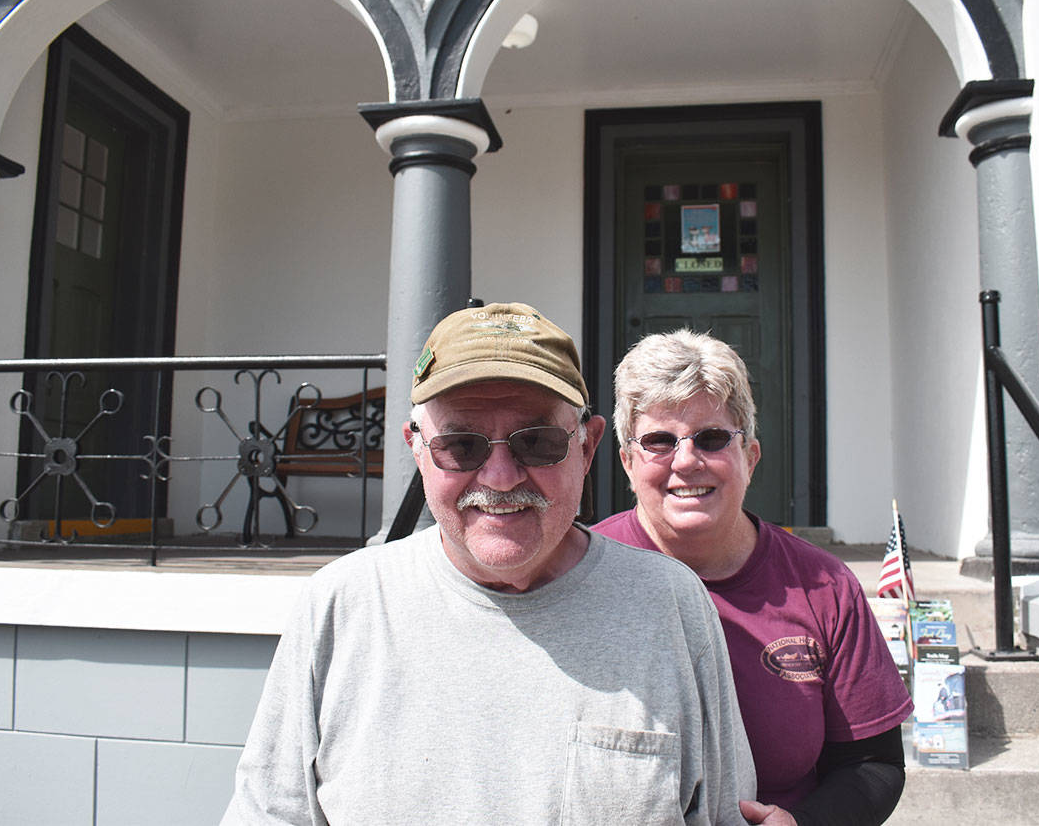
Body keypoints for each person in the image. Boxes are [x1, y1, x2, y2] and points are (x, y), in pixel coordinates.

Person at [223, 303, 756, 825]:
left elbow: (725, 813)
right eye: (461, 446)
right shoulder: (341, 606)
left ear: (588, 447)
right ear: (418, 449)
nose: (501, 478)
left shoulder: (669, 605)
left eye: (538, 442)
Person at [593, 329, 913, 826]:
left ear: (752, 458)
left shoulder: (823, 587)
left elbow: (873, 764)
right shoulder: (579, 574)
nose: (686, 460)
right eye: (658, 440)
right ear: (627, 463)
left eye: (712, 437)